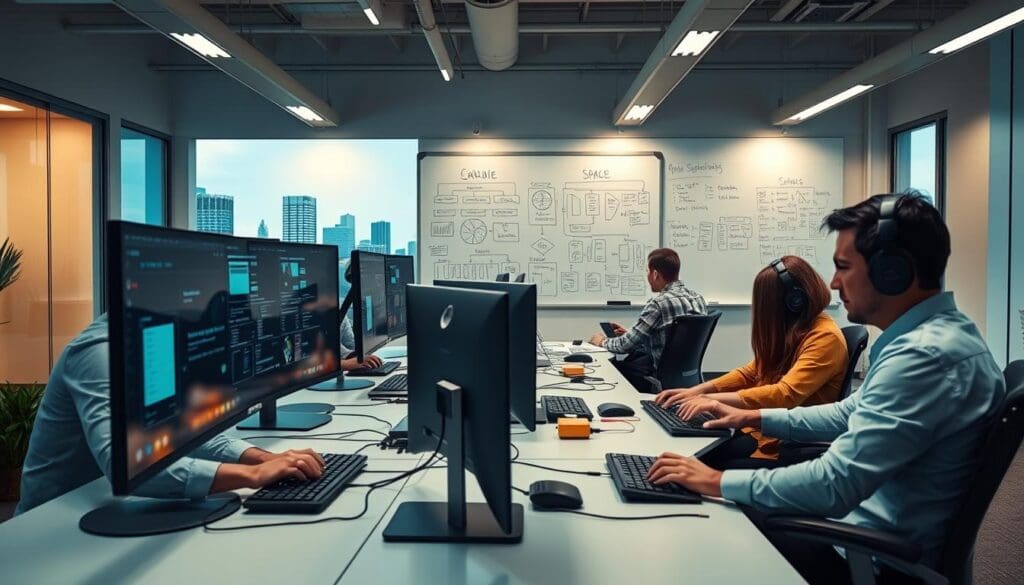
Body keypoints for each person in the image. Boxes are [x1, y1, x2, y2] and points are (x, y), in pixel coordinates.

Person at [644, 193, 1005, 583]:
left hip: (867, 555)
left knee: (701, 525)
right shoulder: (934, 340)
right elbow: (847, 413)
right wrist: (753, 416)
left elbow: (835, 484)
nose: (832, 283)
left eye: (843, 267)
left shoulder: (925, 357)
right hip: (859, 528)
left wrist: (714, 481)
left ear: (891, 271)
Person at [16, 314, 328, 515]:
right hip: (54, 525)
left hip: (121, 507)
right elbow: (125, 466)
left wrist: (261, 459)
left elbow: (188, 430)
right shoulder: (98, 354)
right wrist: (251, 476)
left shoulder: (161, 339)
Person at [654, 255, 848, 469]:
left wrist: (711, 400)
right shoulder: (796, 329)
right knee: (688, 449)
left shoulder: (824, 337)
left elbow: (785, 395)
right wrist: (697, 391)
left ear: (795, 302)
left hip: (782, 444)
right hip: (760, 430)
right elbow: (752, 371)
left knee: (697, 461)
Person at [587, 248, 707, 392]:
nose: (647, 276)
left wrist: (601, 341)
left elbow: (623, 346)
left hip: (657, 376)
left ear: (655, 274)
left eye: (647, 271)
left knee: (608, 371)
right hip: (688, 377)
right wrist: (634, 335)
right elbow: (672, 342)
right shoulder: (698, 299)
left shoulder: (658, 304)